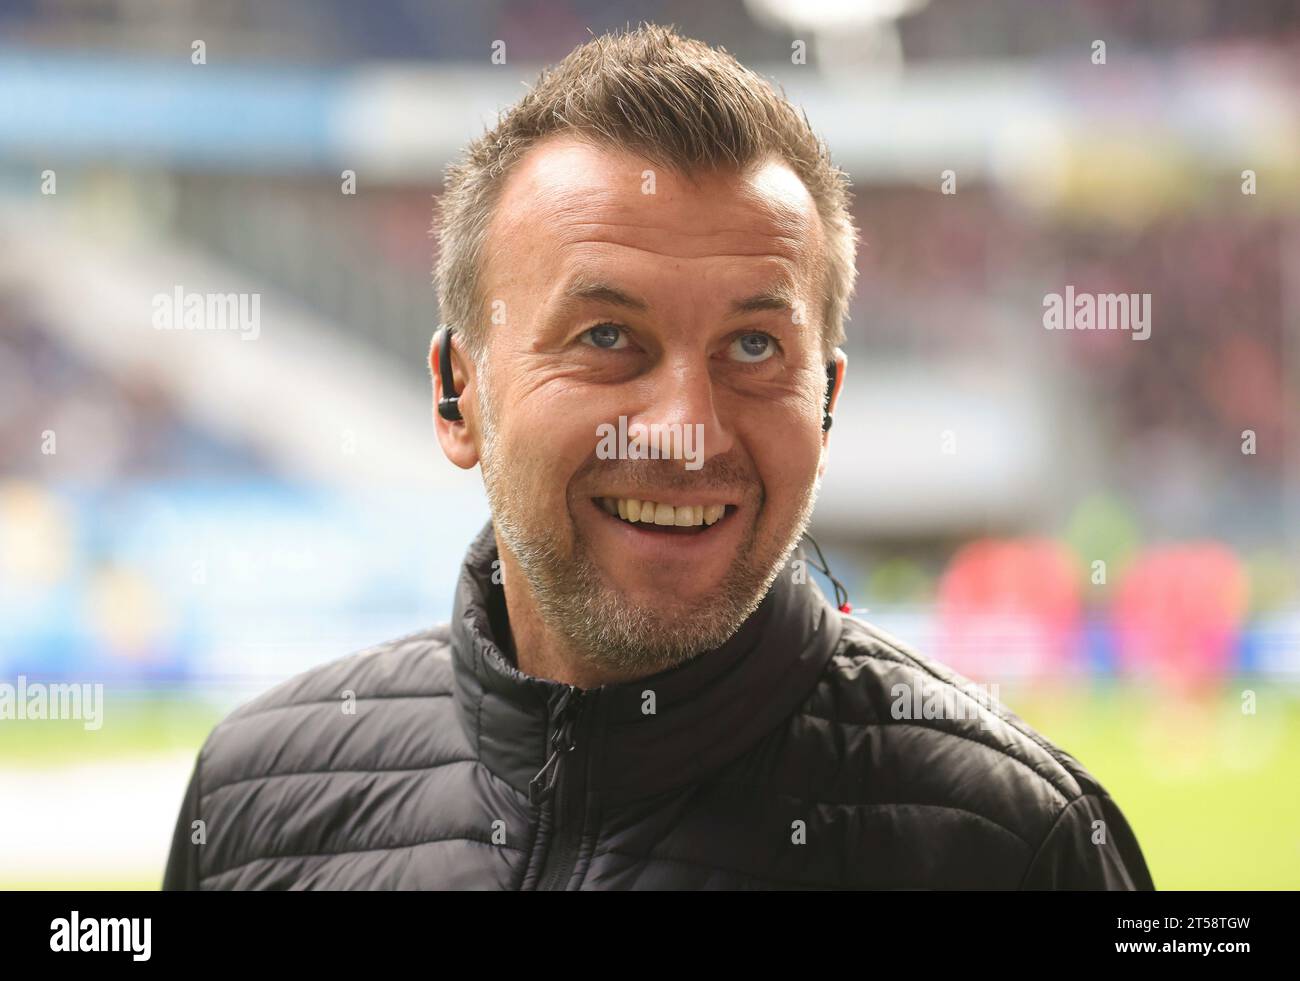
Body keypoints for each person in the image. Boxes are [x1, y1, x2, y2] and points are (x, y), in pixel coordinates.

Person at [163, 24, 1153, 890]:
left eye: (755, 348)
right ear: (455, 395)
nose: (687, 429)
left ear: (827, 401)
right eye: (606, 338)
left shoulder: (1018, 847)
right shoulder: (250, 803)